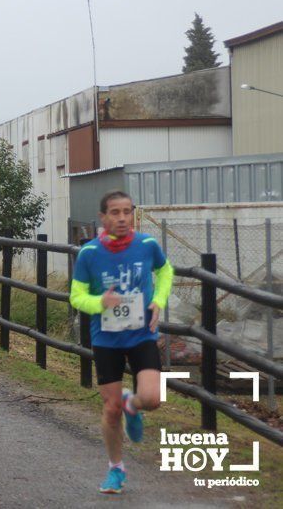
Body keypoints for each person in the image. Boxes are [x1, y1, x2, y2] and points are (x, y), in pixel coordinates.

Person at [70, 190, 173, 494]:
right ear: (103, 218)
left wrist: (159, 300)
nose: (122, 218)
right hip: (107, 339)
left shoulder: (147, 245)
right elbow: (76, 296)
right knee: (111, 408)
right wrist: (100, 301)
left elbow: (165, 271)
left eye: (127, 212)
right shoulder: (89, 253)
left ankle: (134, 403)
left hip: (142, 333)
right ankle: (116, 469)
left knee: (153, 398)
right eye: (115, 212)